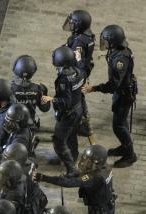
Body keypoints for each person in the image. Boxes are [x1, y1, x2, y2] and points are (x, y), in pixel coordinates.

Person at [83, 24, 137, 167]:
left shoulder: (121, 60)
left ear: (113, 41)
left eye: (106, 41)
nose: (104, 43)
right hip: (121, 93)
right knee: (122, 123)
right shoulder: (118, 50)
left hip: (123, 95)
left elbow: (114, 84)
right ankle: (125, 147)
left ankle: (130, 154)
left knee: (118, 126)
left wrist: (94, 88)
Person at [41, 46, 85, 177]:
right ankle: (73, 156)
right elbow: (84, 70)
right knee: (71, 135)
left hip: (69, 113)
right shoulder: (78, 71)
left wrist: (52, 99)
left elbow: (65, 101)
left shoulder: (64, 79)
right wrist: (79, 60)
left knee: (59, 141)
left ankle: (71, 169)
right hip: (78, 109)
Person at [63, 10, 95, 137]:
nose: (70, 25)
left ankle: (83, 125)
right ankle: (85, 124)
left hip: (77, 74)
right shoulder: (88, 35)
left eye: (72, 23)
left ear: (79, 25)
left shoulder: (79, 42)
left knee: (76, 98)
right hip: (84, 72)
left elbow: (78, 60)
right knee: (79, 97)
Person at [10, 55, 50, 131]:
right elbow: (45, 108)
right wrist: (45, 94)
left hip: (12, 126)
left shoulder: (10, 88)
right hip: (29, 126)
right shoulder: (38, 89)